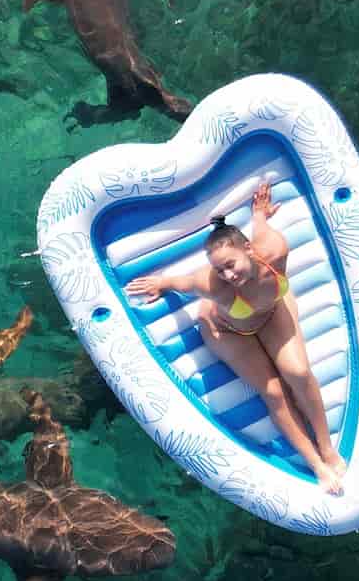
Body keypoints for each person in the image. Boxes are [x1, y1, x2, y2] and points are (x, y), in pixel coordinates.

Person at [128, 181, 346, 495]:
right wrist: (161, 283)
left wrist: (258, 214)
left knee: (298, 373)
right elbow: (183, 281)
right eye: (220, 270)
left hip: (272, 315)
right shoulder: (212, 284)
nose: (228, 275)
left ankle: (326, 448)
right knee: (274, 392)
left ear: (248, 250)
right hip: (230, 331)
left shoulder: (274, 251)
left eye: (230, 265)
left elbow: (260, 232)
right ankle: (316, 464)